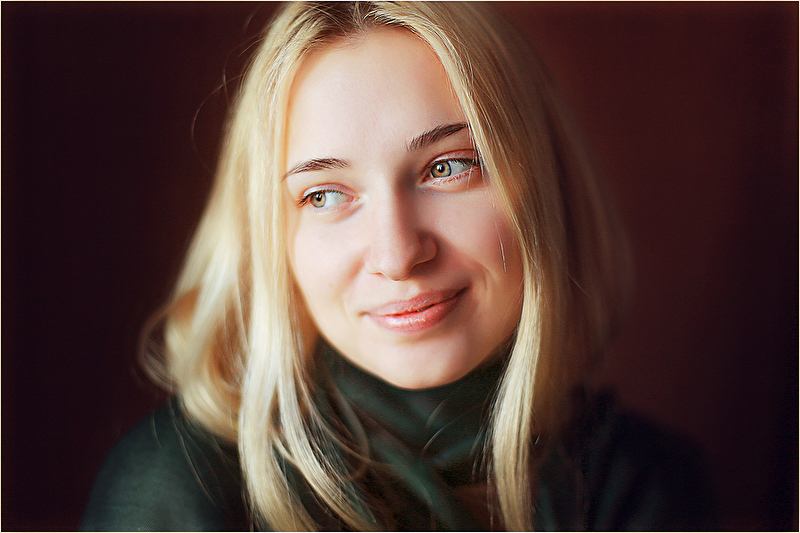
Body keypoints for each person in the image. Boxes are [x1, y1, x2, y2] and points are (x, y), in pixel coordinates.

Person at [81, 2, 716, 531]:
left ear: (544, 184)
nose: (398, 255)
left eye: (449, 166)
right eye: (324, 196)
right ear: (271, 241)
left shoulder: (650, 487)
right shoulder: (175, 491)